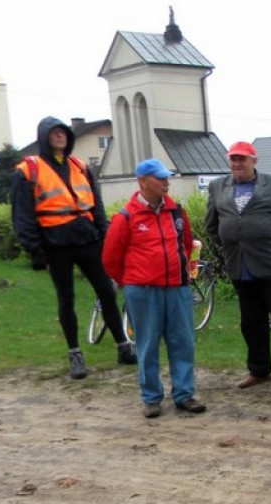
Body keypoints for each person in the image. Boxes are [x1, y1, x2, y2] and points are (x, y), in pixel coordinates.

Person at [11, 116, 137, 379]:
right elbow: (22, 216)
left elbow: (96, 205)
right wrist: (36, 252)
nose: (60, 136)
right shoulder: (28, 170)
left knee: (107, 292)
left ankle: (123, 346)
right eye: (54, 133)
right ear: (44, 137)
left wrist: (103, 237)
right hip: (55, 246)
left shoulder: (80, 166)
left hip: (87, 240)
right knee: (66, 300)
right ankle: (75, 354)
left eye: (63, 132)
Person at [101, 159, 206, 418]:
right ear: (142, 181)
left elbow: (185, 245)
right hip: (143, 291)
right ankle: (151, 397)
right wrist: (133, 281)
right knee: (147, 345)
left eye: (166, 178)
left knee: (183, 342)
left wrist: (185, 274)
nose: (166, 183)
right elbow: (110, 260)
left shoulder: (177, 213)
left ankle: (184, 394)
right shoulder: (125, 217)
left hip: (177, 288)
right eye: (159, 178)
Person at [205, 141, 271, 394]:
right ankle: (259, 370)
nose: (237, 164)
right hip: (239, 267)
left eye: (242, 159)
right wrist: (231, 246)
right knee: (251, 323)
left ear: (254, 161)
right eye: (233, 159)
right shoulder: (217, 188)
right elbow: (211, 227)